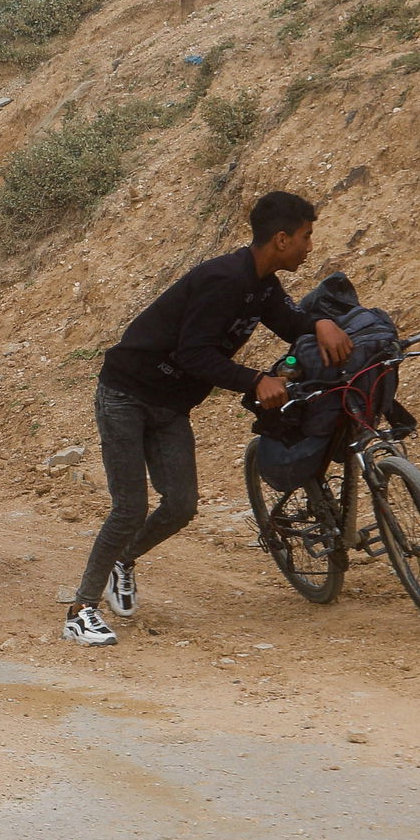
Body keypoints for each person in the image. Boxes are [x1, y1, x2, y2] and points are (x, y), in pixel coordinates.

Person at [62, 191, 354, 646]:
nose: (309, 247)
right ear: (280, 239)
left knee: (181, 505)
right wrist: (256, 379)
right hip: (126, 394)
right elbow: (192, 353)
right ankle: (81, 609)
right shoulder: (224, 280)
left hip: (170, 406)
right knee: (129, 507)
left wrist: (319, 324)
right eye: (306, 237)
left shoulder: (262, 285)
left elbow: (288, 321)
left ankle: (125, 559)